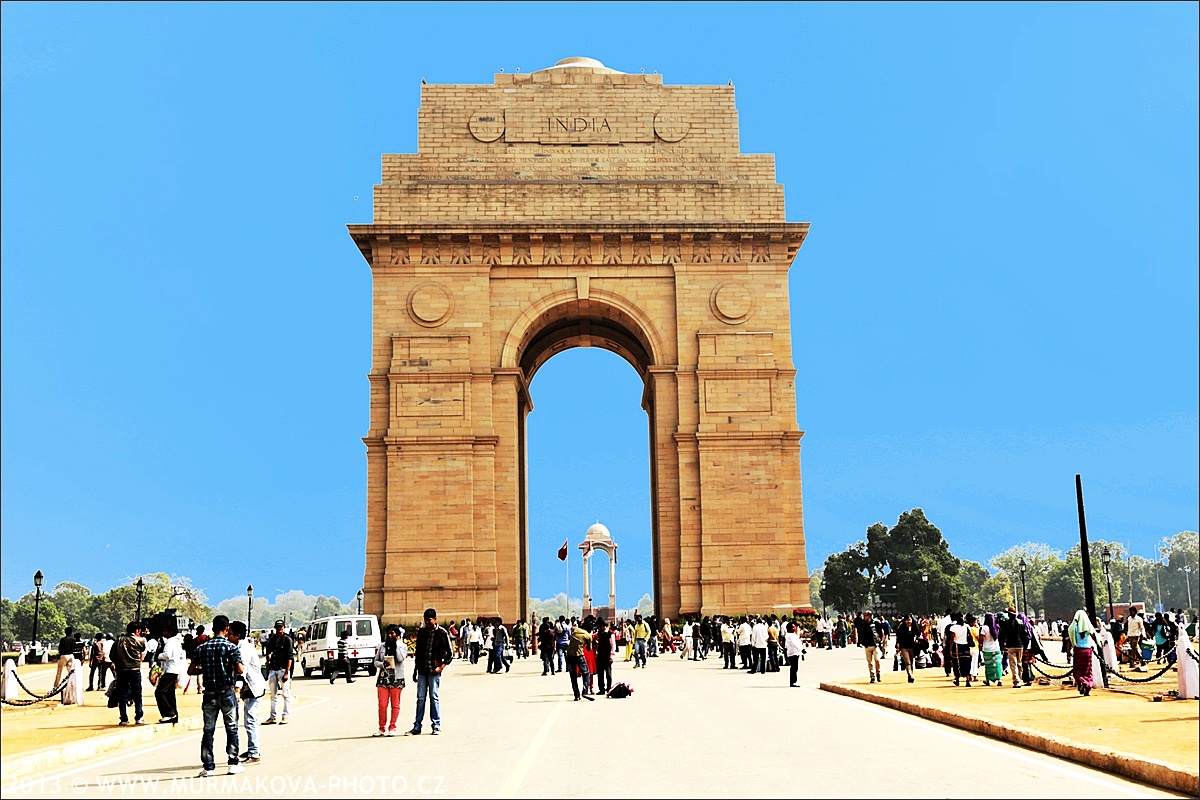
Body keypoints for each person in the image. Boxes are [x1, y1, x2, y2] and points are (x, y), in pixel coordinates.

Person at [191, 615, 245, 777]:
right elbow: (240, 669)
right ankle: (233, 762)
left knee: (208, 729)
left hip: (209, 692)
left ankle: (208, 766)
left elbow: (191, 670)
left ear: (213, 628)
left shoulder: (202, 648)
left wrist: (206, 669)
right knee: (231, 727)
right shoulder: (230, 647)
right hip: (226, 690)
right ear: (226, 628)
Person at [407, 608, 453, 736]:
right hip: (422, 669)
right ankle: (417, 726)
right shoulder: (422, 632)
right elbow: (419, 652)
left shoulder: (442, 633)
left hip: (434, 670)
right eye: (425, 620)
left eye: (429, 620)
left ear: (435, 619)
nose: (427, 622)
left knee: (434, 697)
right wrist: (415, 671)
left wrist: (441, 667)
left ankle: (436, 725)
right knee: (420, 698)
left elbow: (450, 654)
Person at [228, 621, 265, 765]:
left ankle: (254, 753)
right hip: (249, 689)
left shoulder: (244, 649)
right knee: (249, 719)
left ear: (237, 635)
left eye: (230, 634)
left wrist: (237, 690)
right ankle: (252, 749)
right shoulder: (239, 647)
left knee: (250, 720)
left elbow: (242, 672)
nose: (227, 636)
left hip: (253, 687)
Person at [108, 622, 147, 726]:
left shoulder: (118, 640)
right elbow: (142, 650)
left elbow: (112, 655)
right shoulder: (141, 640)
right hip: (135, 670)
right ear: (137, 630)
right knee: (137, 693)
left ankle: (124, 718)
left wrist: (119, 662)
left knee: (122, 694)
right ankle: (139, 716)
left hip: (121, 670)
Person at [373, 624, 406, 736]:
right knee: (382, 704)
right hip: (383, 678)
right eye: (389, 633)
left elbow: (401, 658)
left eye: (392, 633)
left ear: (397, 635)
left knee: (395, 704)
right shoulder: (382, 646)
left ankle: (392, 727)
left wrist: (396, 645)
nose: (390, 635)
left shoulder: (402, 646)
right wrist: (382, 664)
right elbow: (375, 661)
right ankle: (381, 728)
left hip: (396, 678)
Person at [155, 620, 187, 724]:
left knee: (159, 692)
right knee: (170, 693)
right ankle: (174, 715)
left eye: (165, 631)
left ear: (170, 632)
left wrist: (159, 656)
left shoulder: (170, 642)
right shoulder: (177, 642)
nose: (163, 633)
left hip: (170, 670)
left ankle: (168, 713)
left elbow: (167, 655)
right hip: (174, 669)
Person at [263, 620, 293, 725]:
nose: (279, 629)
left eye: (281, 627)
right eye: (277, 627)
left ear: (284, 628)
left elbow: (290, 657)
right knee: (273, 695)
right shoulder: (272, 639)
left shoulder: (287, 640)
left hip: (283, 669)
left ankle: (285, 715)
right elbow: (268, 652)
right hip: (273, 669)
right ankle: (273, 716)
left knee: (286, 694)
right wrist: (268, 663)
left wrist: (287, 672)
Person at [998, 607, 1029, 688]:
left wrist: (1001, 646)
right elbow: (1026, 636)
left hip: (1011, 646)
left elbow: (1002, 636)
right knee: (1019, 663)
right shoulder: (1021, 623)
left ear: (1010, 614)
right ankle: (1019, 677)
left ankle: (1016, 681)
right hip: (1020, 646)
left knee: (1013, 664)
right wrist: (1025, 646)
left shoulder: (1006, 623)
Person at [566, 618, 594, 701]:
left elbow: (571, 629)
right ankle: (585, 690)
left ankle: (576, 695)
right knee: (586, 673)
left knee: (573, 676)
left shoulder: (575, 629)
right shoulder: (588, 636)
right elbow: (589, 649)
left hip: (569, 655)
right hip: (579, 656)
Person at [895, 614, 920, 683]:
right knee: (907, 662)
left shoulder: (914, 628)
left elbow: (918, 634)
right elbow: (898, 638)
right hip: (904, 647)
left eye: (909, 620)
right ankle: (910, 675)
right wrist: (898, 646)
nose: (908, 621)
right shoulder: (901, 628)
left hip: (912, 647)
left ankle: (911, 675)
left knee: (911, 662)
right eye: (907, 620)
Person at [979, 613, 1002, 686]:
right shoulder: (997, 627)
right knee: (998, 664)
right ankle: (999, 680)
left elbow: (981, 639)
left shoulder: (984, 628)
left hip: (987, 649)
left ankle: (988, 680)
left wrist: (980, 645)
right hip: (996, 648)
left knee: (988, 665)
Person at [593, 619, 615, 695]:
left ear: (603, 626)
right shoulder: (597, 635)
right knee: (600, 674)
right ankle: (601, 689)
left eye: (599, 627)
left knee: (608, 674)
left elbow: (612, 646)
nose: (598, 628)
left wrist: (611, 657)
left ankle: (609, 688)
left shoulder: (610, 634)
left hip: (607, 656)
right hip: (599, 656)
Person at [1125, 608, 1147, 672]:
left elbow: (1142, 628)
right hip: (1130, 635)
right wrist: (1127, 636)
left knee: (1133, 650)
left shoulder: (1139, 619)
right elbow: (1128, 628)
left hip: (1136, 635)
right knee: (1135, 649)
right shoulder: (1129, 619)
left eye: (1131, 611)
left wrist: (1144, 635)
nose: (1130, 613)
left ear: (1135, 612)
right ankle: (1142, 661)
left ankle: (1131, 663)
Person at [784, 622, 804, 687]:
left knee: (795, 668)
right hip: (793, 653)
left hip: (795, 652)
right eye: (792, 627)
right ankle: (793, 682)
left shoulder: (792, 635)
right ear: (788, 628)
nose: (793, 628)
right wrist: (801, 649)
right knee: (794, 668)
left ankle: (793, 681)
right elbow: (794, 644)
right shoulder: (789, 636)